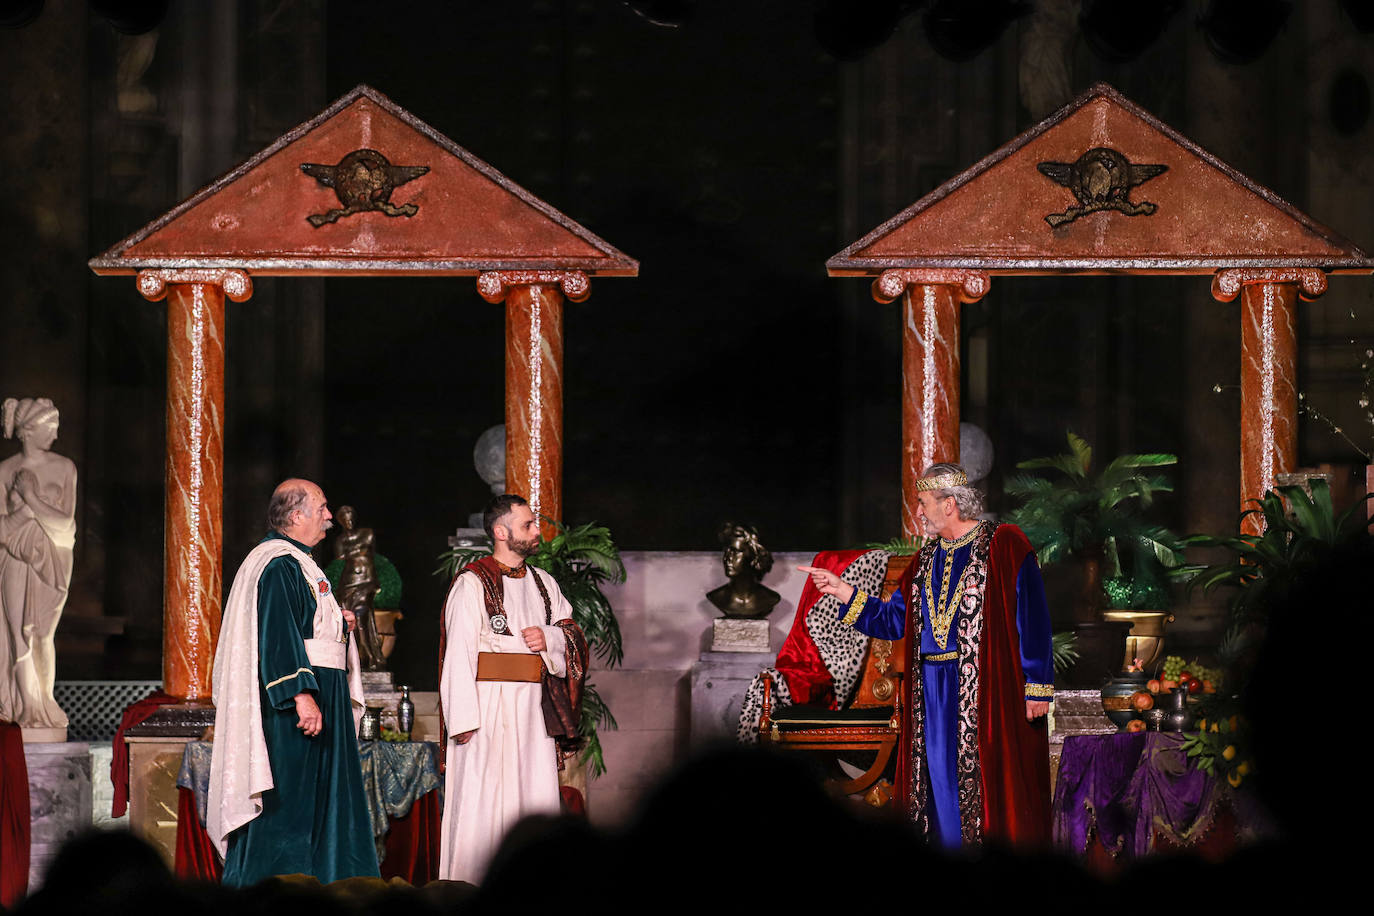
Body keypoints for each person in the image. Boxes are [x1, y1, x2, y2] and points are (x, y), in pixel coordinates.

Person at [798, 463, 1053, 849]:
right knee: (937, 779)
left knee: (985, 779)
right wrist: (841, 591)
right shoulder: (922, 562)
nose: (917, 511)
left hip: (986, 690)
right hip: (930, 690)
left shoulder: (1005, 545)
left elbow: (1032, 616)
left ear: (949, 504)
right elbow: (890, 621)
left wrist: (1037, 685)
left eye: (922, 502)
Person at [207, 479, 379, 886]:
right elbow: (278, 634)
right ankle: (275, 890)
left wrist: (340, 622)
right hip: (297, 705)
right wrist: (300, 694)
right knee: (291, 801)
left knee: (320, 799)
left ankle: (327, 884)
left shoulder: (300, 562)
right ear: (296, 515)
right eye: (321, 507)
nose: (330, 516)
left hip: (323, 695)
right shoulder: (279, 563)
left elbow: (305, 623)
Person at [438, 494, 587, 884]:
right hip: (485, 712)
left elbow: (572, 633)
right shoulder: (472, 582)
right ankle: (469, 888)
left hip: (531, 714)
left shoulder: (544, 583)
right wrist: (463, 721)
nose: (537, 531)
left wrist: (551, 638)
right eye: (528, 525)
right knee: (482, 804)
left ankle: (532, 888)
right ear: (501, 532)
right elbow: (458, 654)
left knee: (531, 800)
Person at [0, 397, 76, 730]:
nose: (56, 436)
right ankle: (29, 709)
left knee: (44, 634)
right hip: (15, 560)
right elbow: (2, 529)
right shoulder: (4, 470)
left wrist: (29, 498)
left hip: (55, 559)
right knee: (20, 634)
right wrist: (30, 511)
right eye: (51, 428)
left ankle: (45, 700)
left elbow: (66, 526)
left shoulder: (64, 468)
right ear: (28, 431)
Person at [706, 522, 781, 619]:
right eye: (726, 551)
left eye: (736, 552)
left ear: (754, 556)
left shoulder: (770, 598)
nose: (727, 558)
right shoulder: (716, 597)